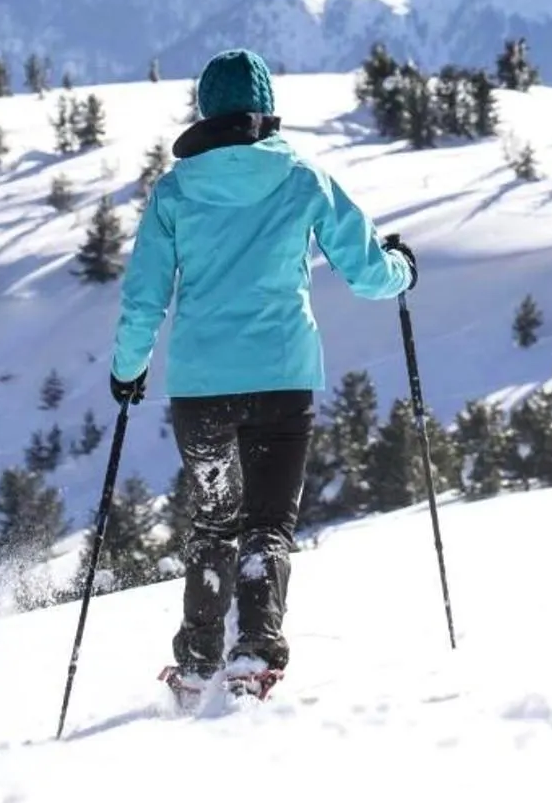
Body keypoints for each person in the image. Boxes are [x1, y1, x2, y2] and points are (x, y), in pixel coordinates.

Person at [109, 47, 415, 695]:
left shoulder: (175, 191)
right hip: (282, 377)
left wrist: (128, 368)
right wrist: (402, 269)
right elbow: (368, 274)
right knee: (267, 526)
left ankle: (198, 663)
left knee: (214, 522)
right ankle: (253, 655)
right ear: (266, 109)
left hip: (200, 388)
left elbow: (144, 297)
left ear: (205, 111)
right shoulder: (302, 178)